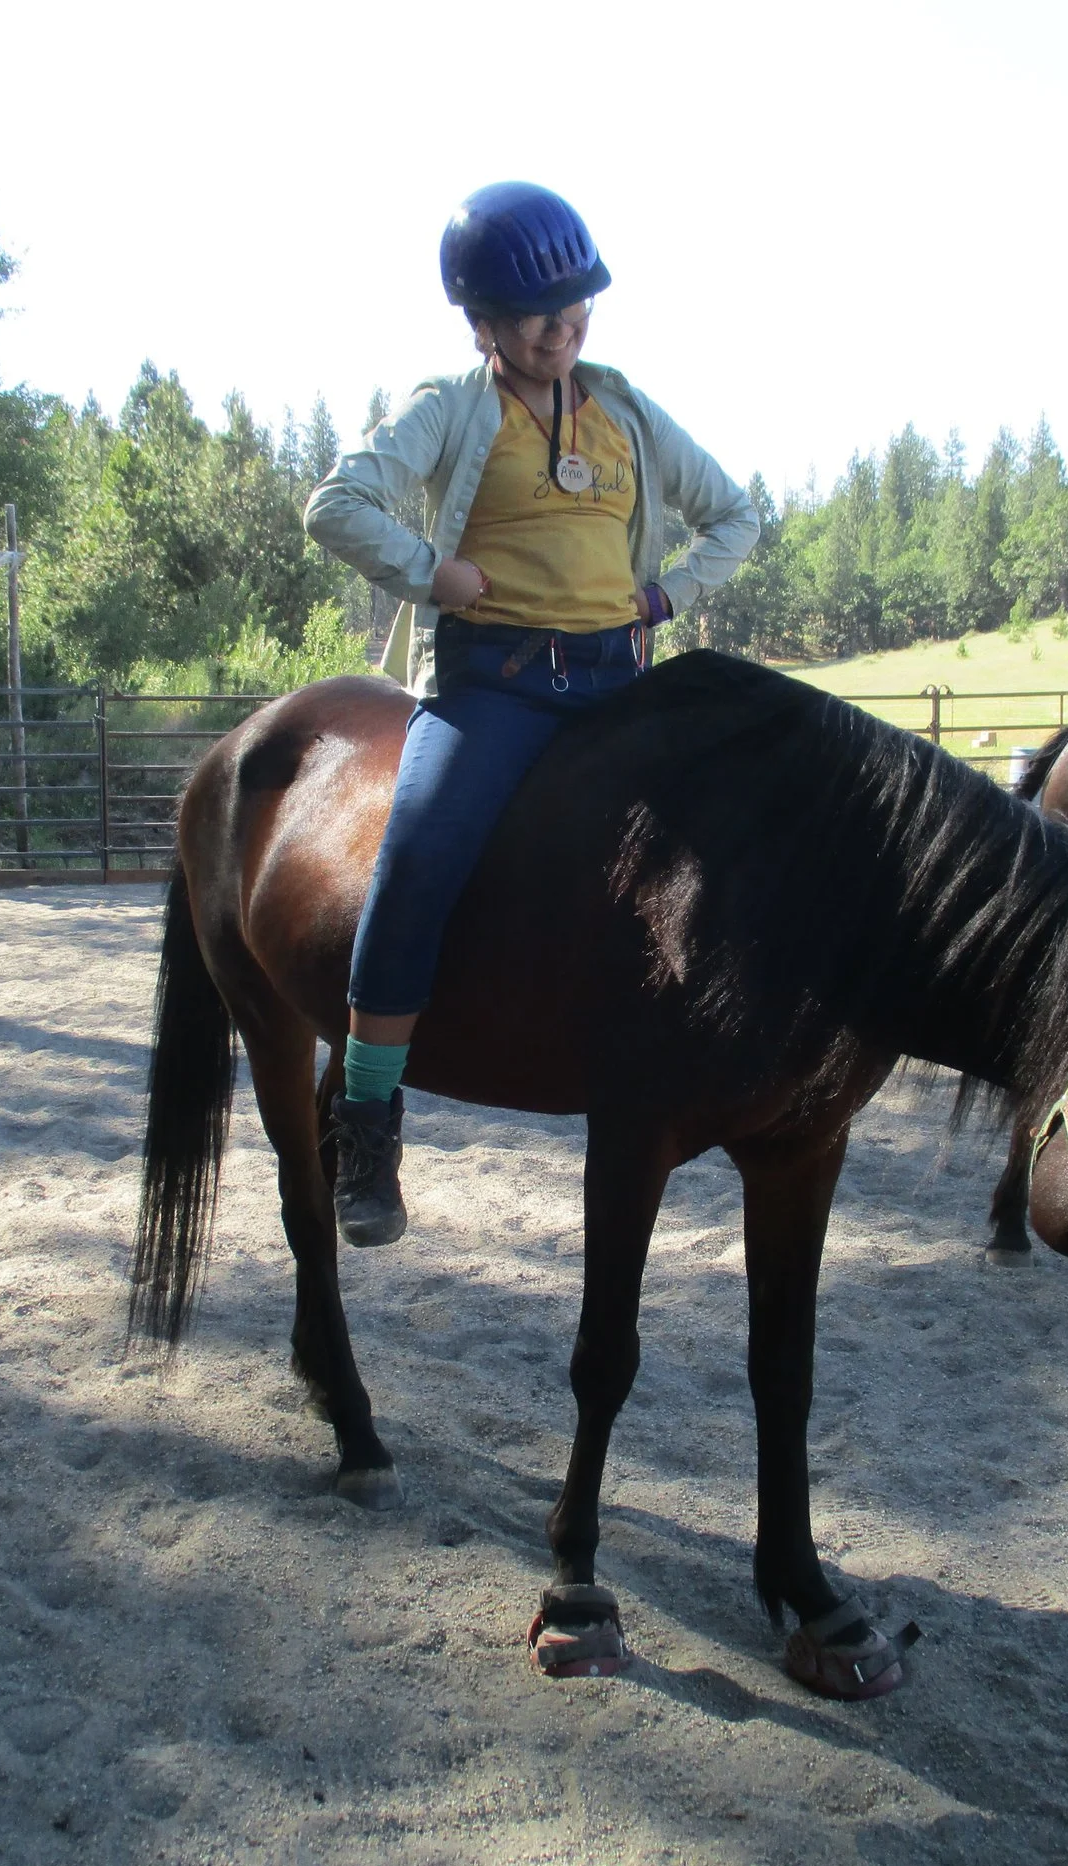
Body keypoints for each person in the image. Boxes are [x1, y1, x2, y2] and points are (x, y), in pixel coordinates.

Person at [302, 181, 758, 1246]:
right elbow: (336, 503)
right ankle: (366, 1120)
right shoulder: (451, 407)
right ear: (482, 324)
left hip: (620, 681)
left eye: (575, 305)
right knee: (416, 857)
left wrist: (666, 595)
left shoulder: (626, 411)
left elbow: (734, 515)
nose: (562, 328)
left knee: (744, 830)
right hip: (494, 685)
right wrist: (430, 572)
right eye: (534, 315)